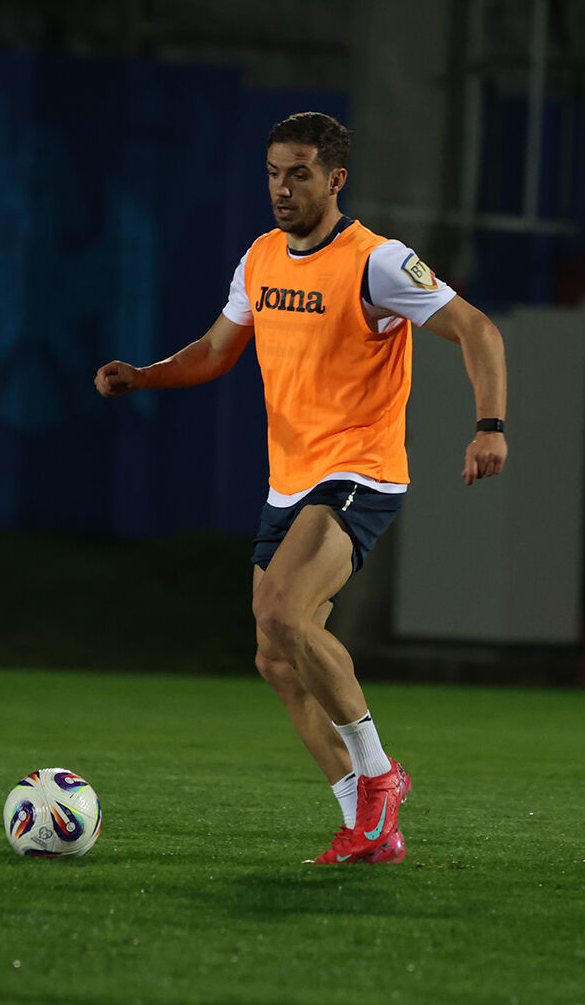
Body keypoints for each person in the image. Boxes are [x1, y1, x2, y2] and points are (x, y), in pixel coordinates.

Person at [95, 112, 507, 864]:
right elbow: (216, 350)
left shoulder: (377, 262)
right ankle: (368, 825)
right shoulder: (260, 257)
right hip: (289, 483)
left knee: (281, 611)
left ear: (336, 179)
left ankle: (379, 775)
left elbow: (479, 329)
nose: (282, 189)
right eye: (273, 174)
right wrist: (145, 376)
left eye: (299, 174)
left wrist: (490, 425)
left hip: (358, 471)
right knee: (276, 656)